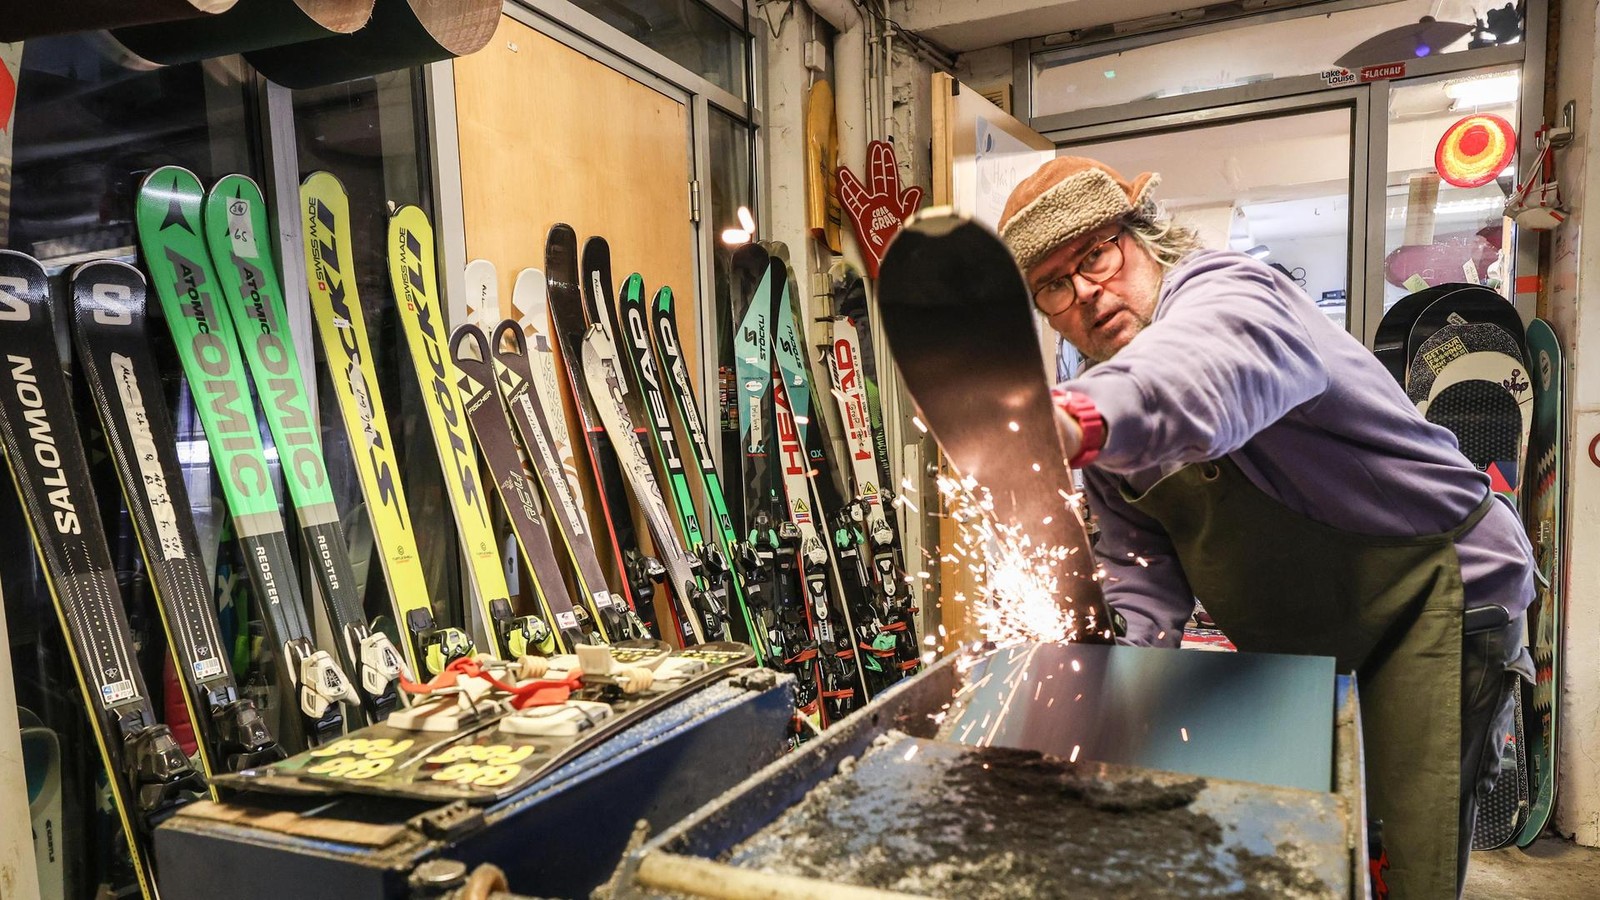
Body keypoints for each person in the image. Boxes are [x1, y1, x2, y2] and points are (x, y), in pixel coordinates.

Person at [997, 156, 1535, 899]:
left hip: (1439, 596)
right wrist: (1096, 694)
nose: (1086, 291)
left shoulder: (1230, 296)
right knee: (1313, 848)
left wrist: (1075, 420)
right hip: (1314, 637)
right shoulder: (1108, 442)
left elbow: (1198, 374)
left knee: (1400, 861)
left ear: (1144, 238)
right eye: (1054, 285)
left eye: (1096, 253)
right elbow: (1143, 588)